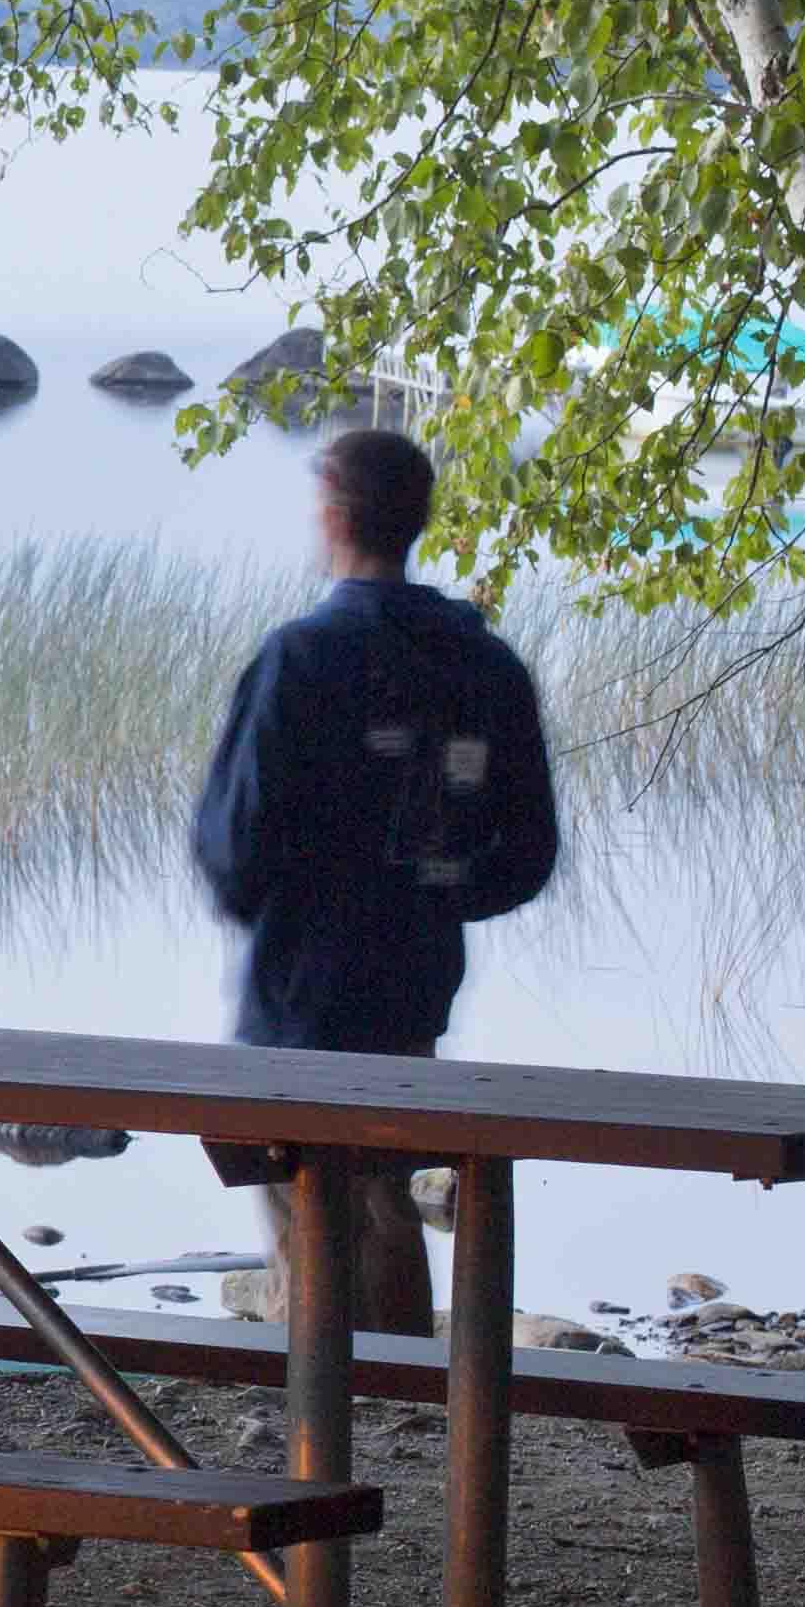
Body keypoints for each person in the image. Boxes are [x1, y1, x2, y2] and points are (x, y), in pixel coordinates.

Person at [188, 422, 559, 1332]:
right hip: (413, 989)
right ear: (419, 519)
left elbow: (232, 847)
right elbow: (528, 851)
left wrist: (292, 902)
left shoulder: (302, 659)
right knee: (386, 1203)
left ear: (333, 514)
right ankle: (402, 1397)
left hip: (300, 992)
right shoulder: (484, 665)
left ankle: (323, 1403)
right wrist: (433, 893)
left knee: (309, 1218)